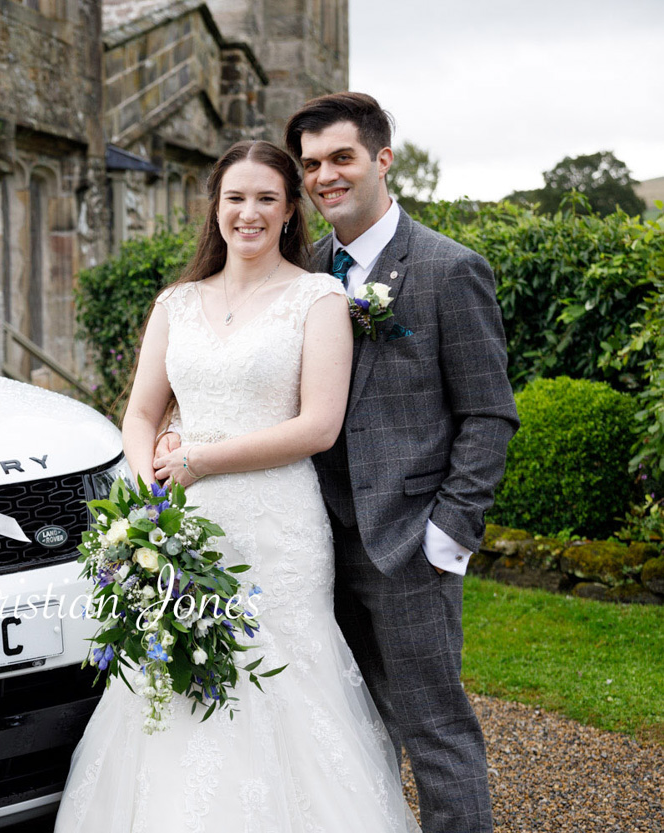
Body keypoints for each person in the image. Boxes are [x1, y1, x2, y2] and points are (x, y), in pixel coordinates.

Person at [53, 140, 420, 832]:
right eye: (235, 198)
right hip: (182, 523)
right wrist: (149, 492)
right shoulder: (177, 302)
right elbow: (139, 412)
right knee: (173, 683)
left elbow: (318, 425)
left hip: (275, 526)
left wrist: (202, 459)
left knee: (277, 678)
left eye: (266, 200)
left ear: (288, 213)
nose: (247, 213)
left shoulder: (318, 298)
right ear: (215, 207)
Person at [281, 92, 519, 833]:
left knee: (437, 732)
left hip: (409, 545)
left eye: (341, 157)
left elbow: (489, 414)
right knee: (349, 732)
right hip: (316, 544)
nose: (324, 176)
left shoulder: (451, 270)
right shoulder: (302, 274)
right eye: (311, 163)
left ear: (383, 159)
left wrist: (446, 536)